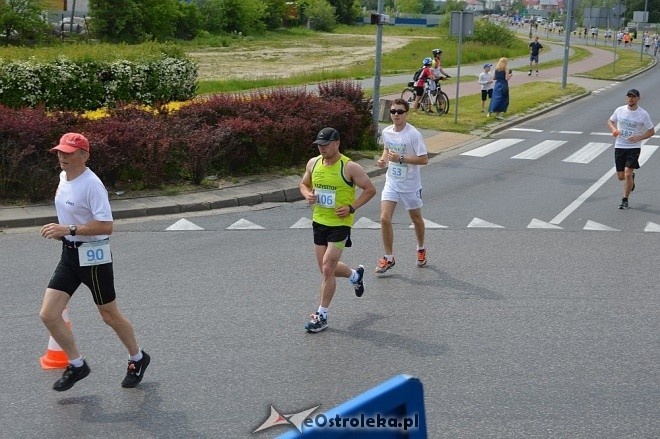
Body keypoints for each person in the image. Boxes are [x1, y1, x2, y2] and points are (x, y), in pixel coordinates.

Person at [39, 133, 150, 391]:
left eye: (68, 152)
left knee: (109, 315)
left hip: (93, 257)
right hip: (69, 254)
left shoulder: (92, 185)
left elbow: (106, 226)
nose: (62, 156)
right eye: (59, 151)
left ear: (84, 155)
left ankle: (138, 357)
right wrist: (65, 234)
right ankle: (77, 365)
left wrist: (67, 229)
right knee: (49, 314)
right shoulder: (63, 177)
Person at [299, 127, 376, 332]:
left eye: (325, 145)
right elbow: (303, 184)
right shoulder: (313, 163)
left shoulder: (350, 167)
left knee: (326, 269)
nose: (321, 148)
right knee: (326, 268)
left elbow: (370, 190)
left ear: (337, 143)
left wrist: (351, 207)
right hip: (319, 221)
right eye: (319, 145)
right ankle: (355, 276)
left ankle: (321, 316)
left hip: (340, 224)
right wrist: (307, 195)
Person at [375, 98, 429, 274]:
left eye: (400, 111)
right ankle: (388, 257)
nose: (396, 115)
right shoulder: (387, 132)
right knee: (384, 218)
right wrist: (384, 159)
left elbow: (424, 159)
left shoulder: (413, 134)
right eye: (393, 112)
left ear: (406, 114)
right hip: (392, 181)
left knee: (416, 219)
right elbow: (388, 148)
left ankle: (421, 248)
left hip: (410, 184)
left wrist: (401, 159)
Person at [606, 89, 655, 210]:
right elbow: (610, 121)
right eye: (629, 96)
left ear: (638, 98)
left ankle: (625, 200)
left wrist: (640, 137)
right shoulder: (620, 110)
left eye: (633, 97)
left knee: (627, 174)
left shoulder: (643, 114)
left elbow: (651, 131)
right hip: (620, 146)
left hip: (634, 147)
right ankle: (631, 177)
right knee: (621, 177)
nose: (630, 99)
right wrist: (613, 130)